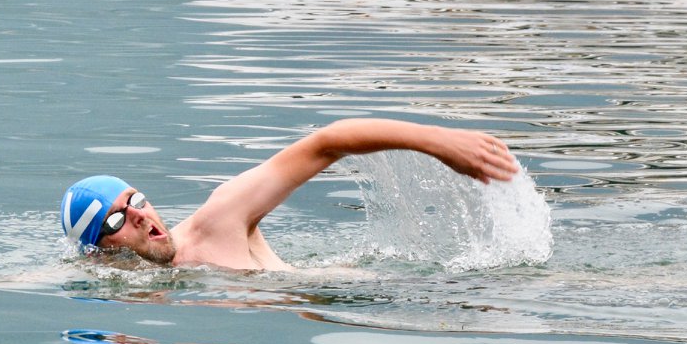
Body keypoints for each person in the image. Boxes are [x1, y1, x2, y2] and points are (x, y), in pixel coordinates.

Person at [59, 118, 519, 271]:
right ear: (97, 253)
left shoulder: (218, 219)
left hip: (404, 292)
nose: (139, 216)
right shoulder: (120, 281)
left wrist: (440, 142)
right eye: (116, 220)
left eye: (136, 200)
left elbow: (326, 143)